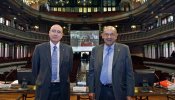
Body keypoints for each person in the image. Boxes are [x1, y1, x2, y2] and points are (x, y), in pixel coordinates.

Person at [88, 26, 134, 100]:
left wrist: (129, 93)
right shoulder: (95, 50)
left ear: (116, 36)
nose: (109, 37)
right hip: (100, 91)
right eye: (106, 34)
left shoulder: (124, 49)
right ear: (102, 35)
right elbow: (91, 72)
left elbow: (129, 73)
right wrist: (91, 90)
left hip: (118, 91)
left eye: (112, 34)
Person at [32, 24, 73, 100]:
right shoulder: (39, 48)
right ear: (49, 33)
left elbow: (69, 69)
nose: (55, 34)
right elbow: (35, 69)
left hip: (62, 88)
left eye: (58, 32)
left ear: (62, 35)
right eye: (53, 31)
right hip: (43, 87)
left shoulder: (68, 49)